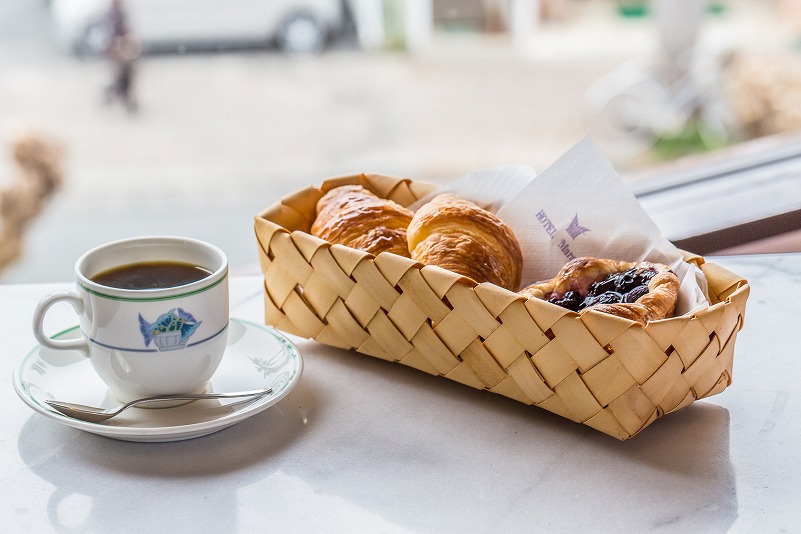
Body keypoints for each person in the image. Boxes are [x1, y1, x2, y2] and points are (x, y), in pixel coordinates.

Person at [103, 0, 141, 113]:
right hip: (117, 51)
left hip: (121, 50)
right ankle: (119, 95)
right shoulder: (113, 14)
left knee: (124, 75)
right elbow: (112, 32)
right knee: (123, 75)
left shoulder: (120, 13)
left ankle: (115, 94)